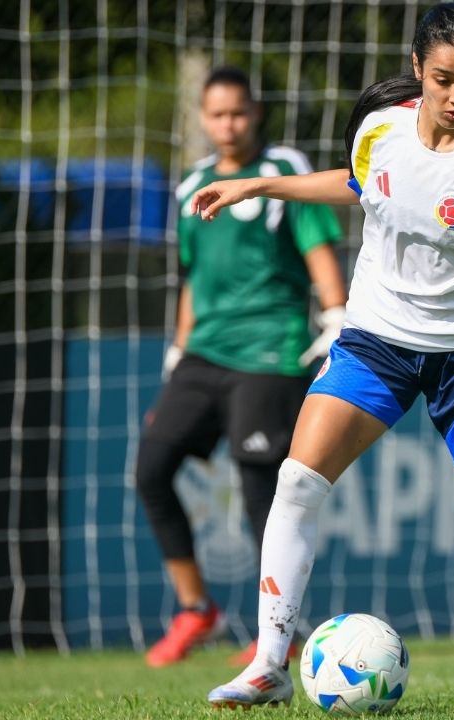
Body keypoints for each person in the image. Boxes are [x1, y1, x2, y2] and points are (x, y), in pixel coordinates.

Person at [189, 3, 454, 711]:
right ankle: (268, 666)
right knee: (297, 483)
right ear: (418, 68)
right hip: (377, 342)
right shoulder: (380, 129)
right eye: (444, 78)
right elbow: (360, 186)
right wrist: (258, 184)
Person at [137, 66, 347, 668]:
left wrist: (336, 315)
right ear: (203, 119)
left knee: (261, 487)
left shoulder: (282, 171)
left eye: (238, 112)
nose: (228, 124)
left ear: (256, 113)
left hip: (272, 352)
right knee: (151, 469)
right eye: (217, 114)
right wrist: (177, 354)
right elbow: (193, 280)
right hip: (203, 354)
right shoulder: (192, 185)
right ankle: (195, 610)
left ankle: (279, 632)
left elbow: (318, 249)